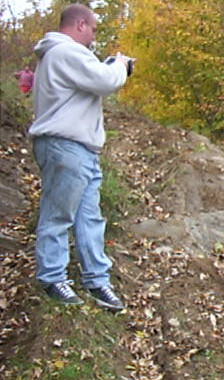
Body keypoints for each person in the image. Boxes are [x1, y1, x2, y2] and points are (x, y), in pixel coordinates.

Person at [28, 3, 134, 311]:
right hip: (66, 146)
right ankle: (52, 278)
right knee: (58, 215)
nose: (94, 38)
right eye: (94, 30)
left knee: (89, 219)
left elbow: (93, 80)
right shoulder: (65, 52)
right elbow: (105, 80)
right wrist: (120, 64)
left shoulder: (63, 57)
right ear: (80, 25)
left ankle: (97, 281)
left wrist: (110, 66)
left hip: (80, 149)